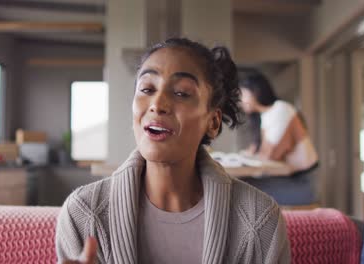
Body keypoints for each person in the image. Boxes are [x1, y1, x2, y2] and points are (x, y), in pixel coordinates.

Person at [55, 38, 290, 264]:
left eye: (181, 93)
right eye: (147, 89)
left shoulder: (260, 219)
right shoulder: (83, 214)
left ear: (213, 121)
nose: (157, 104)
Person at [238, 70, 319, 205]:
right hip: (286, 179)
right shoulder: (263, 117)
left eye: (243, 94)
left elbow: (269, 156)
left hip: (302, 183)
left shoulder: (280, 110)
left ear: (256, 91)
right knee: (238, 186)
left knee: (238, 191)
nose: (240, 101)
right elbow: (257, 153)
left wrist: (251, 156)